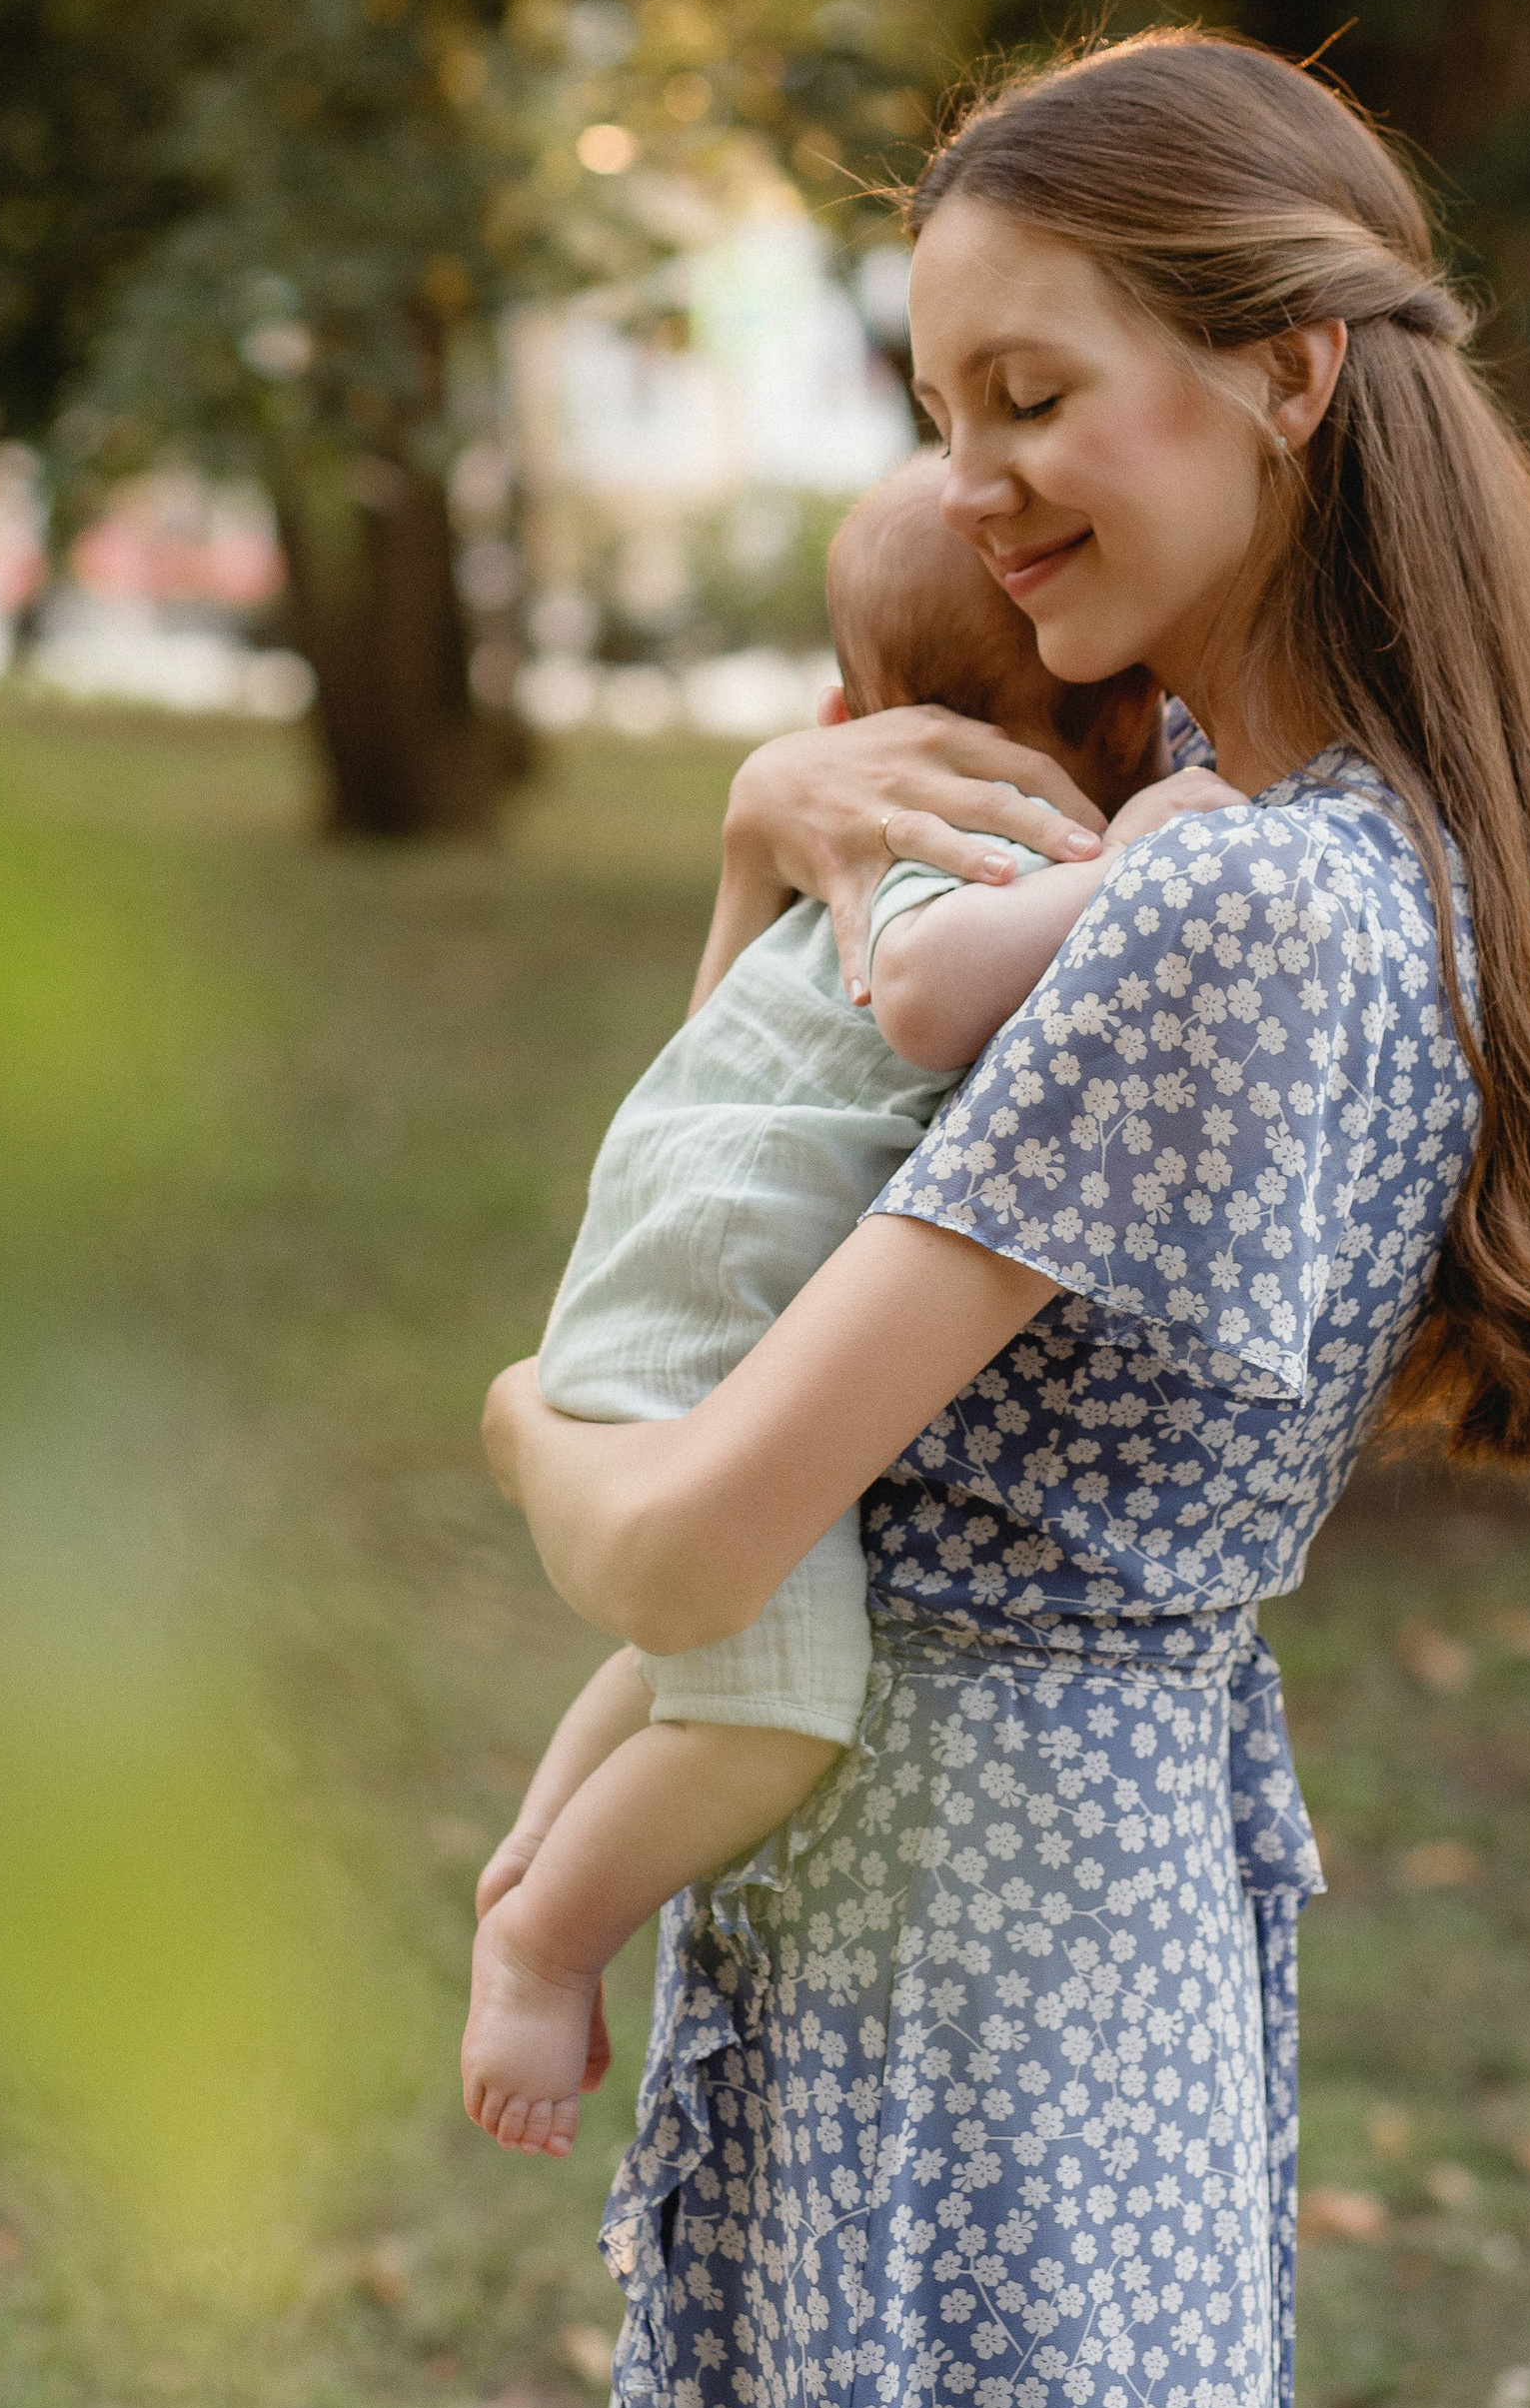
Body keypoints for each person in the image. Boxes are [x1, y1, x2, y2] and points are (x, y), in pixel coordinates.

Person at [481, 34, 1530, 2408]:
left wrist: (513, 1417)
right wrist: (758, 844)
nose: (970, 483)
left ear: (1284, 371)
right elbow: (749, 1179)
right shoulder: (1352, 860)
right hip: (1022, 1905)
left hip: (968, 1946)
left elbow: (692, 1532)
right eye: (941, 410)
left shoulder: (1220, 906)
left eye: (1030, 394)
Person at [463, 456, 1243, 2158]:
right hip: (706, 1317)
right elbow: (925, 998)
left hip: (684, 1292)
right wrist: (1132, 867)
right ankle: (546, 1936)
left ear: (843, 702)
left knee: (700, 1648)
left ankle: (531, 1853)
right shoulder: (949, 838)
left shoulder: (899, 821)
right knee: (772, 1713)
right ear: (1116, 736)